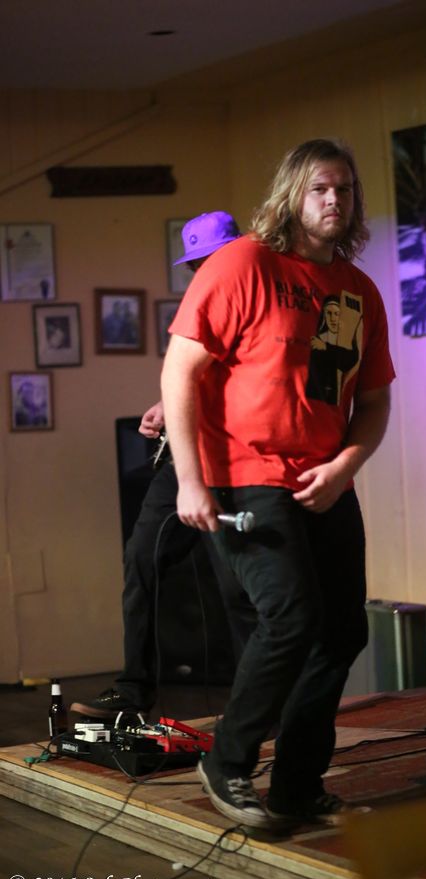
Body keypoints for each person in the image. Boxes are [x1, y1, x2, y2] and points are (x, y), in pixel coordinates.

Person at [161, 139, 395, 830]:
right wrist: (190, 482)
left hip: (324, 480)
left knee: (342, 632)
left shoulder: (358, 290)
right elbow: (180, 372)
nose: (334, 200)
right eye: (321, 187)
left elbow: (373, 402)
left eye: (344, 189)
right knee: (291, 617)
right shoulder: (244, 264)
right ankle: (228, 760)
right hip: (245, 474)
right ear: (293, 194)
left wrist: (345, 466)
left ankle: (297, 785)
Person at [71, 212, 256, 720]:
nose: (201, 270)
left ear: (235, 252)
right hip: (183, 456)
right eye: (195, 264)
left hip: (234, 462)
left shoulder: (253, 300)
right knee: (141, 559)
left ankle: (258, 705)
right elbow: (191, 376)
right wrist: (162, 407)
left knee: (237, 588)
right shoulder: (201, 303)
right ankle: (133, 690)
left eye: (208, 260)